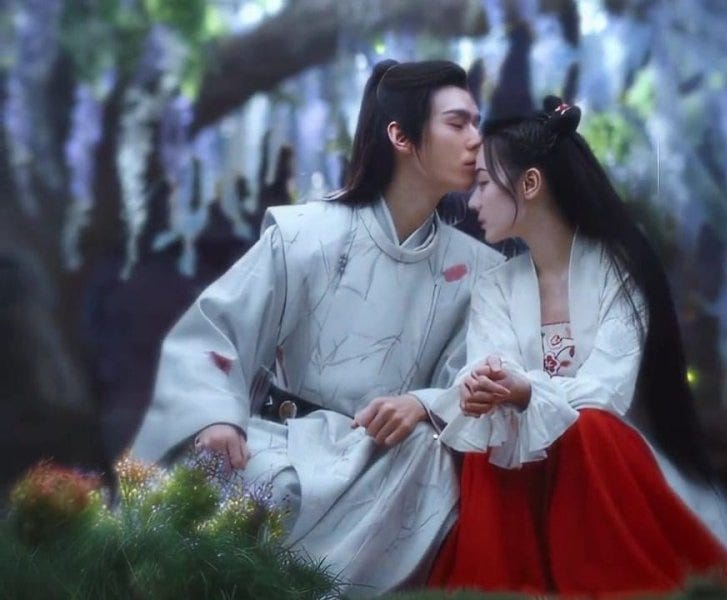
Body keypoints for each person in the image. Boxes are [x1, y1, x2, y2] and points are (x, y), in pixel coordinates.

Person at [130, 59, 503, 594]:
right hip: (283, 439)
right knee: (244, 480)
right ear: (400, 136)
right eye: (457, 123)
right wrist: (216, 416)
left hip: (385, 461)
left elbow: (472, 378)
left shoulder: (476, 269)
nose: (475, 140)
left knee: (428, 455)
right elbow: (216, 332)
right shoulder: (306, 233)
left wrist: (423, 403)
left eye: (476, 123)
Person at [428, 97, 727, 596]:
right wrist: (480, 387)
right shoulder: (495, 285)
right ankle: (505, 579)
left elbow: (607, 392)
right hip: (528, 467)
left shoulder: (619, 270)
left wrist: (525, 391)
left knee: (591, 427)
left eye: (484, 185)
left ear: (530, 184)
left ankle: (603, 577)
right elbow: (490, 364)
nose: (473, 203)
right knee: (491, 435)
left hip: (610, 471)